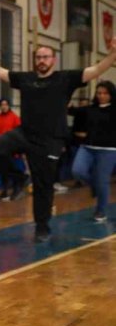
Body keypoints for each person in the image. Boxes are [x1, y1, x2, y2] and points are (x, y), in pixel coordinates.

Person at [0, 40, 116, 242]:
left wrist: (113, 54)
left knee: (43, 185)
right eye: (38, 57)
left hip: (50, 140)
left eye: (46, 57)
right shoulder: (26, 79)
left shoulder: (66, 78)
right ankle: (18, 178)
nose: (41, 60)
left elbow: (96, 69)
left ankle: (42, 226)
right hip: (25, 133)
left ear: (53, 60)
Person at [70, 81, 116, 222]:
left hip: (108, 150)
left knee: (102, 181)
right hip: (87, 148)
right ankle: (94, 186)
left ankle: (100, 211)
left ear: (111, 94)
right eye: (99, 93)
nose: (101, 96)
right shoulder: (90, 109)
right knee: (77, 171)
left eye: (105, 93)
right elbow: (72, 110)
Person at [0, 97, 22, 200]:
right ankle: (5, 189)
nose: (4, 107)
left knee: (12, 169)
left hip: (12, 149)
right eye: (2, 105)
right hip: (0, 150)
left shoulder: (14, 118)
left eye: (5, 104)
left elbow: (20, 133)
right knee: (3, 171)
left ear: (9, 106)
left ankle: (16, 188)